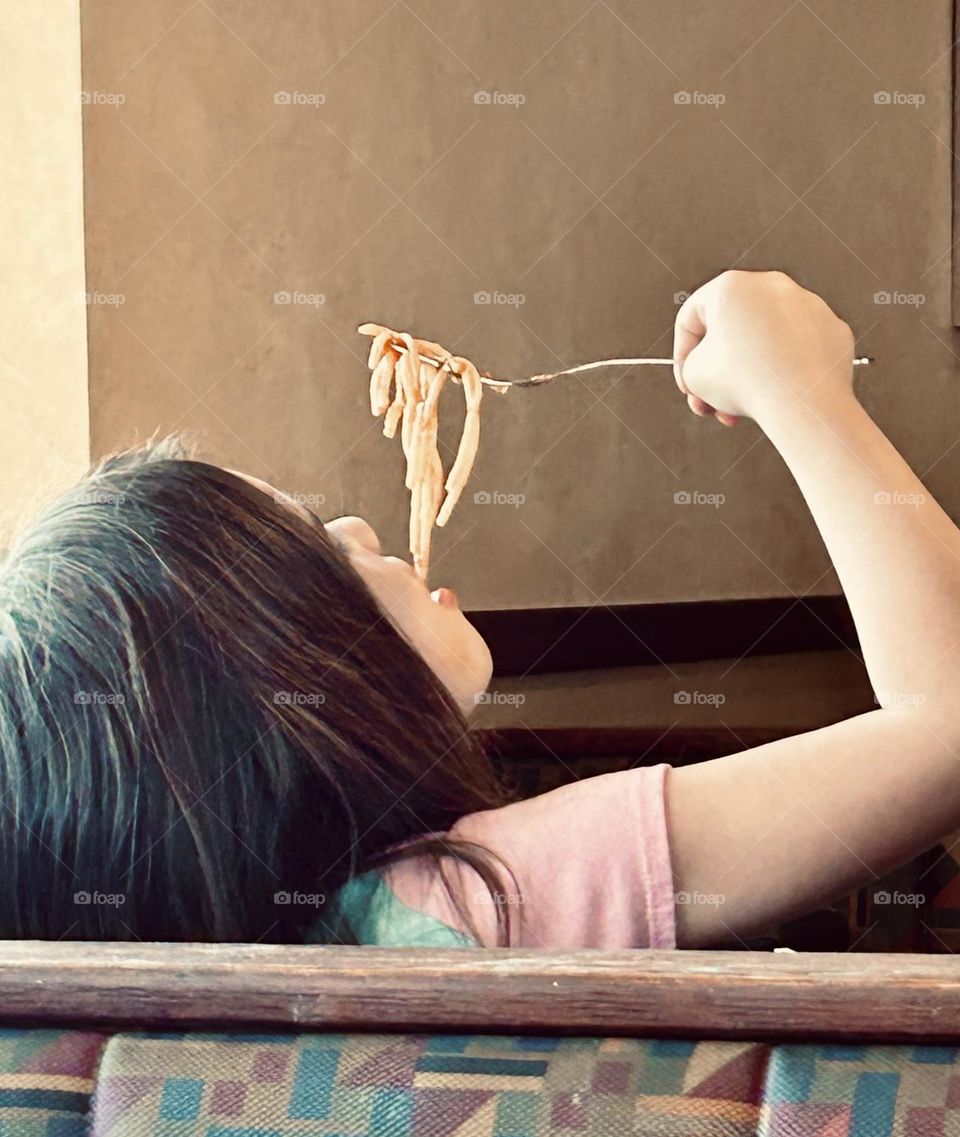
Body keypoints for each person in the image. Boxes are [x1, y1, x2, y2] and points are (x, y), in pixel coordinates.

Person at [3, 270, 958, 949]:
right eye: (313, 542)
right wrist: (802, 390)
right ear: (287, 681)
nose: (358, 522)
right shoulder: (481, 902)